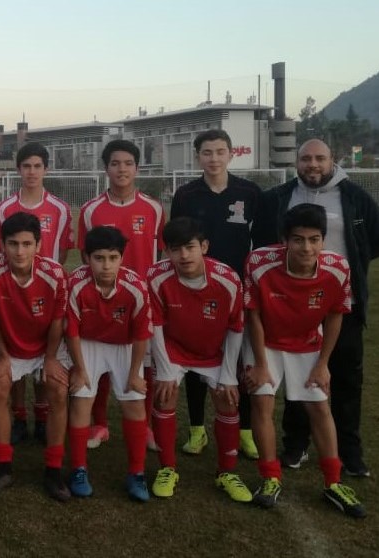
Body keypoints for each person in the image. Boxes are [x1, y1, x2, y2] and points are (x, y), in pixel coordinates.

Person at [252, 138, 379, 477]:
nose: (313, 165)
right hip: (290, 303)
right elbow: (266, 239)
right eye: (306, 159)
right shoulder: (279, 197)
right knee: (300, 377)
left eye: (319, 158)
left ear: (332, 161)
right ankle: (296, 445)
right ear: (297, 163)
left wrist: (348, 269)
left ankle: (350, 453)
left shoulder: (354, 197)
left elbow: (375, 240)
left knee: (345, 378)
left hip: (341, 302)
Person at [244, 203, 365, 518]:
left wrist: (323, 363)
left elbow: (337, 315)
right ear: (285, 240)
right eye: (298, 239)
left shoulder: (338, 267)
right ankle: (270, 478)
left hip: (309, 342)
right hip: (265, 343)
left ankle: (333, 482)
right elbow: (253, 316)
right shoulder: (259, 262)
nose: (306, 247)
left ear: (323, 240)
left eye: (314, 239)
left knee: (320, 406)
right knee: (263, 402)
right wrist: (259, 363)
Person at [171, 129, 260, 460]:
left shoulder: (249, 192)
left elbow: (261, 242)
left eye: (219, 152)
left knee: (241, 361)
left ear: (231, 153)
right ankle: (197, 430)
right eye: (207, 153)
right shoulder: (187, 194)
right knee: (196, 357)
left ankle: (246, 430)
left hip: (237, 290)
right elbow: (179, 240)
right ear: (198, 157)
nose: (213, 158)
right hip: (196, 288)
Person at [147, 217, 251, 502]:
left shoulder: (228, 279)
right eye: (175, 249)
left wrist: (229, 374)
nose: (183, 255)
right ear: (166, 251)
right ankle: (167, 468)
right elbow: (155, 326)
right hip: (174, 349)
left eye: (190, 247)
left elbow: (235, 328)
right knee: (163, 395)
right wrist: (167, 371)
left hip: (213, 352)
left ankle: (227, 472)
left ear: (204, 246)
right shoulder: (156, 277)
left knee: (228, 399)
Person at [78, 139, 164, 449]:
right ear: (106, 168)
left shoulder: (154, 208)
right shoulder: (90, 211)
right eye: (115, 163)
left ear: (137, 168)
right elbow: (85, 255)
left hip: (141, 301)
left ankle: (149, 426)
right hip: (103, 301)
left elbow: (161, 254)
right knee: (100, 360)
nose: (122, 169)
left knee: (146, 364)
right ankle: (99, 425)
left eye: (128, 163)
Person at [0, 212, 72, 501]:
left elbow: (58, 320)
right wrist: (3, 356)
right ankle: (3, 465)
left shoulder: (55, 273)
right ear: (2, 244)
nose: (20, 251)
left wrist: (50, 358)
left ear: (38, 245)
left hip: (48, 346)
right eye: (12, 244)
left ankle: (54, 470)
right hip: (9, 347)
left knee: (58, 389)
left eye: (26, 244)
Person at [0, 142, 73, 445]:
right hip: (12, 292)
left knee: (44, 358)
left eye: (37, 166)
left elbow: (63, 252)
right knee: (14, 359)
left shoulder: (61, 209)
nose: (31, 172)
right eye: (26, 166)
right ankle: (19, 416)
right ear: (18, 170)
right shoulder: (4, 209)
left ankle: (41, 417)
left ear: (46, 170)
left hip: (44, 292)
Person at [65, 226, 151, 501]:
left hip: (124, 346)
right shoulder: (75, 284)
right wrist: (79, 369)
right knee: (81, 401)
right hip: (87, 344)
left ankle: (136, 473)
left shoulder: (135, 287)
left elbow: (140, 335)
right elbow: (72, 332)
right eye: (99, 258)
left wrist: (136, 373)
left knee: (134, 401)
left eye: (113, 258)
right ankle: (78, 469)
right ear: (86, 257)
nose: (106, 265)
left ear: (121, 258)